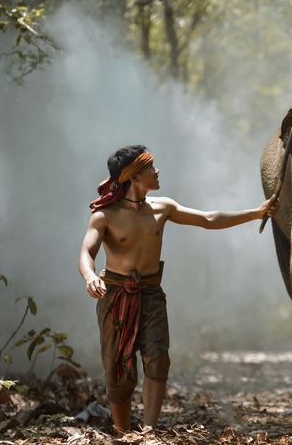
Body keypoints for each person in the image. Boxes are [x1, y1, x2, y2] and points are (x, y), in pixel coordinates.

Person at [78, 145, 276, 434]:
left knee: (158, 358)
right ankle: (123, 433)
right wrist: (89, 276)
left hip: (151, 293)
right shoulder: (104, 215)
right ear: (134, 176)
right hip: (116, 295)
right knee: (118, 366)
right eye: (150, 167)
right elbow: (87, 252)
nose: (157, 171)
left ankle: (148, 432)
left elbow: (208, 219)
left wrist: (256, 213)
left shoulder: (163, 207)